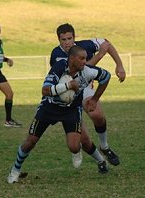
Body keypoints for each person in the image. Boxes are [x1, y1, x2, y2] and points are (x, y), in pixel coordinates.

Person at [7, 45, 111, 184]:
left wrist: (94, 100)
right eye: (82, 58)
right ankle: (15, 169)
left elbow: (106, 77)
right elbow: (45, 90)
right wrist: (68, 86)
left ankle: (77, 151)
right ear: (72, 58)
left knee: (74, 146)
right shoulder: (59, 67)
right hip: (49, 108)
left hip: (71, 110)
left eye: (86, 58)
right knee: (30, 142)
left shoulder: (88, 71)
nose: (85, 61)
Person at [50, 23, 126, 168]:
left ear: (74, 37)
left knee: (97, 114)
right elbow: (79, 72)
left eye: (69, 38)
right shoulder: (56, 55)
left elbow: (106, 43)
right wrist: (100, 55)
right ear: (58, 40)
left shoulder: (84, 45)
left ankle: (105, 146)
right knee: (83, 139)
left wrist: (119, 65)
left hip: (85, 89)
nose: (67, 43)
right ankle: (101, 161)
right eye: (63, 40)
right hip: (69, 94)